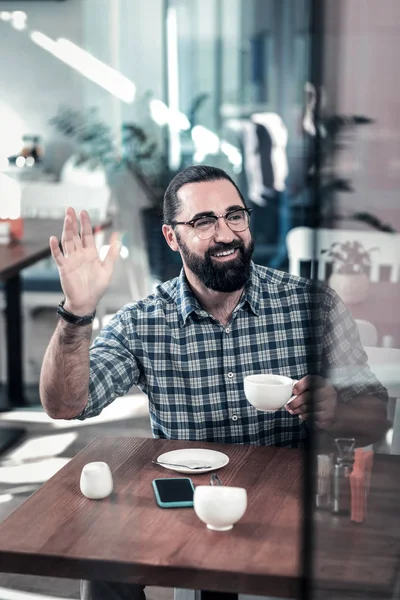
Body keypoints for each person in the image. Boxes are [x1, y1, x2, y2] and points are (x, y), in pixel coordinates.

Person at [40, 165, 388, 600]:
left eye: (234, 216)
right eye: (203, 221)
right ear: (172, 238)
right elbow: (66, 405)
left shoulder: (311, 305)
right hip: (185, 502)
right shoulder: (144, 321)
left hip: (293, 503)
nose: (225, 233)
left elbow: (375, 415)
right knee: (105, 564)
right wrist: (77, 313)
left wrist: (336, 407)